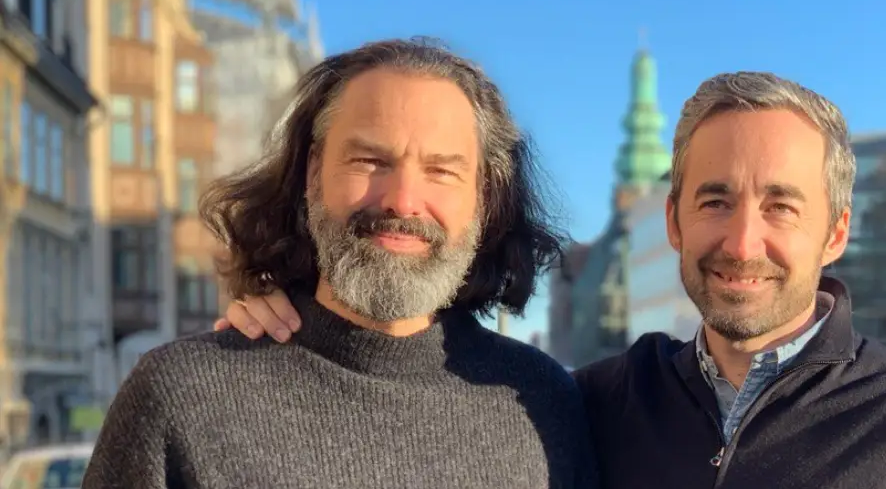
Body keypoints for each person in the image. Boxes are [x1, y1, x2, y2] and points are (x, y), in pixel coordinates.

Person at [214, 72, 886, 488]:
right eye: (715, 200)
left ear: (835, 231)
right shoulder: (590, 402)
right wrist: (299, 310)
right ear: (672, 223)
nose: (742, 239)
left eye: (782, 207)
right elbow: (426, 358)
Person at [82, 38, 597, 489]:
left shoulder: (542, 401)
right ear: (312, 172)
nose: (402, 200)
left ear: (485, 199)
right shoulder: (184, 397)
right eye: (370, 161)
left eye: (441, 171)